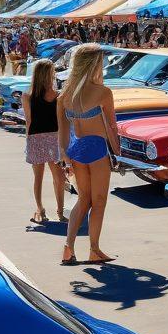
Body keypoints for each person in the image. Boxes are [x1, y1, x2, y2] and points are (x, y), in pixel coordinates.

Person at [57, 44, 119, 266]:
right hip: (97, 150)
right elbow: (112, 127)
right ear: (94, 64)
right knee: (99, 201)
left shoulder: (64, 95)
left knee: (83, 199)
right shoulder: (103, 92)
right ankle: (94, 249)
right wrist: (118, 153)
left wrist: (65, 160)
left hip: (76, 151)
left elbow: (62, 133)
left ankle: (68, 247)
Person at [22, 58, 64, 225]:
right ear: (48, 74)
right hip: (54, 137)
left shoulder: (27, 96)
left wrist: (28, 141)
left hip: (36, 137)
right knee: (58, 177)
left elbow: (28, 121)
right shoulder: (58, 95)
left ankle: (40, 209)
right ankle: (59, 212)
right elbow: (61, 121)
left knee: (38, 177)